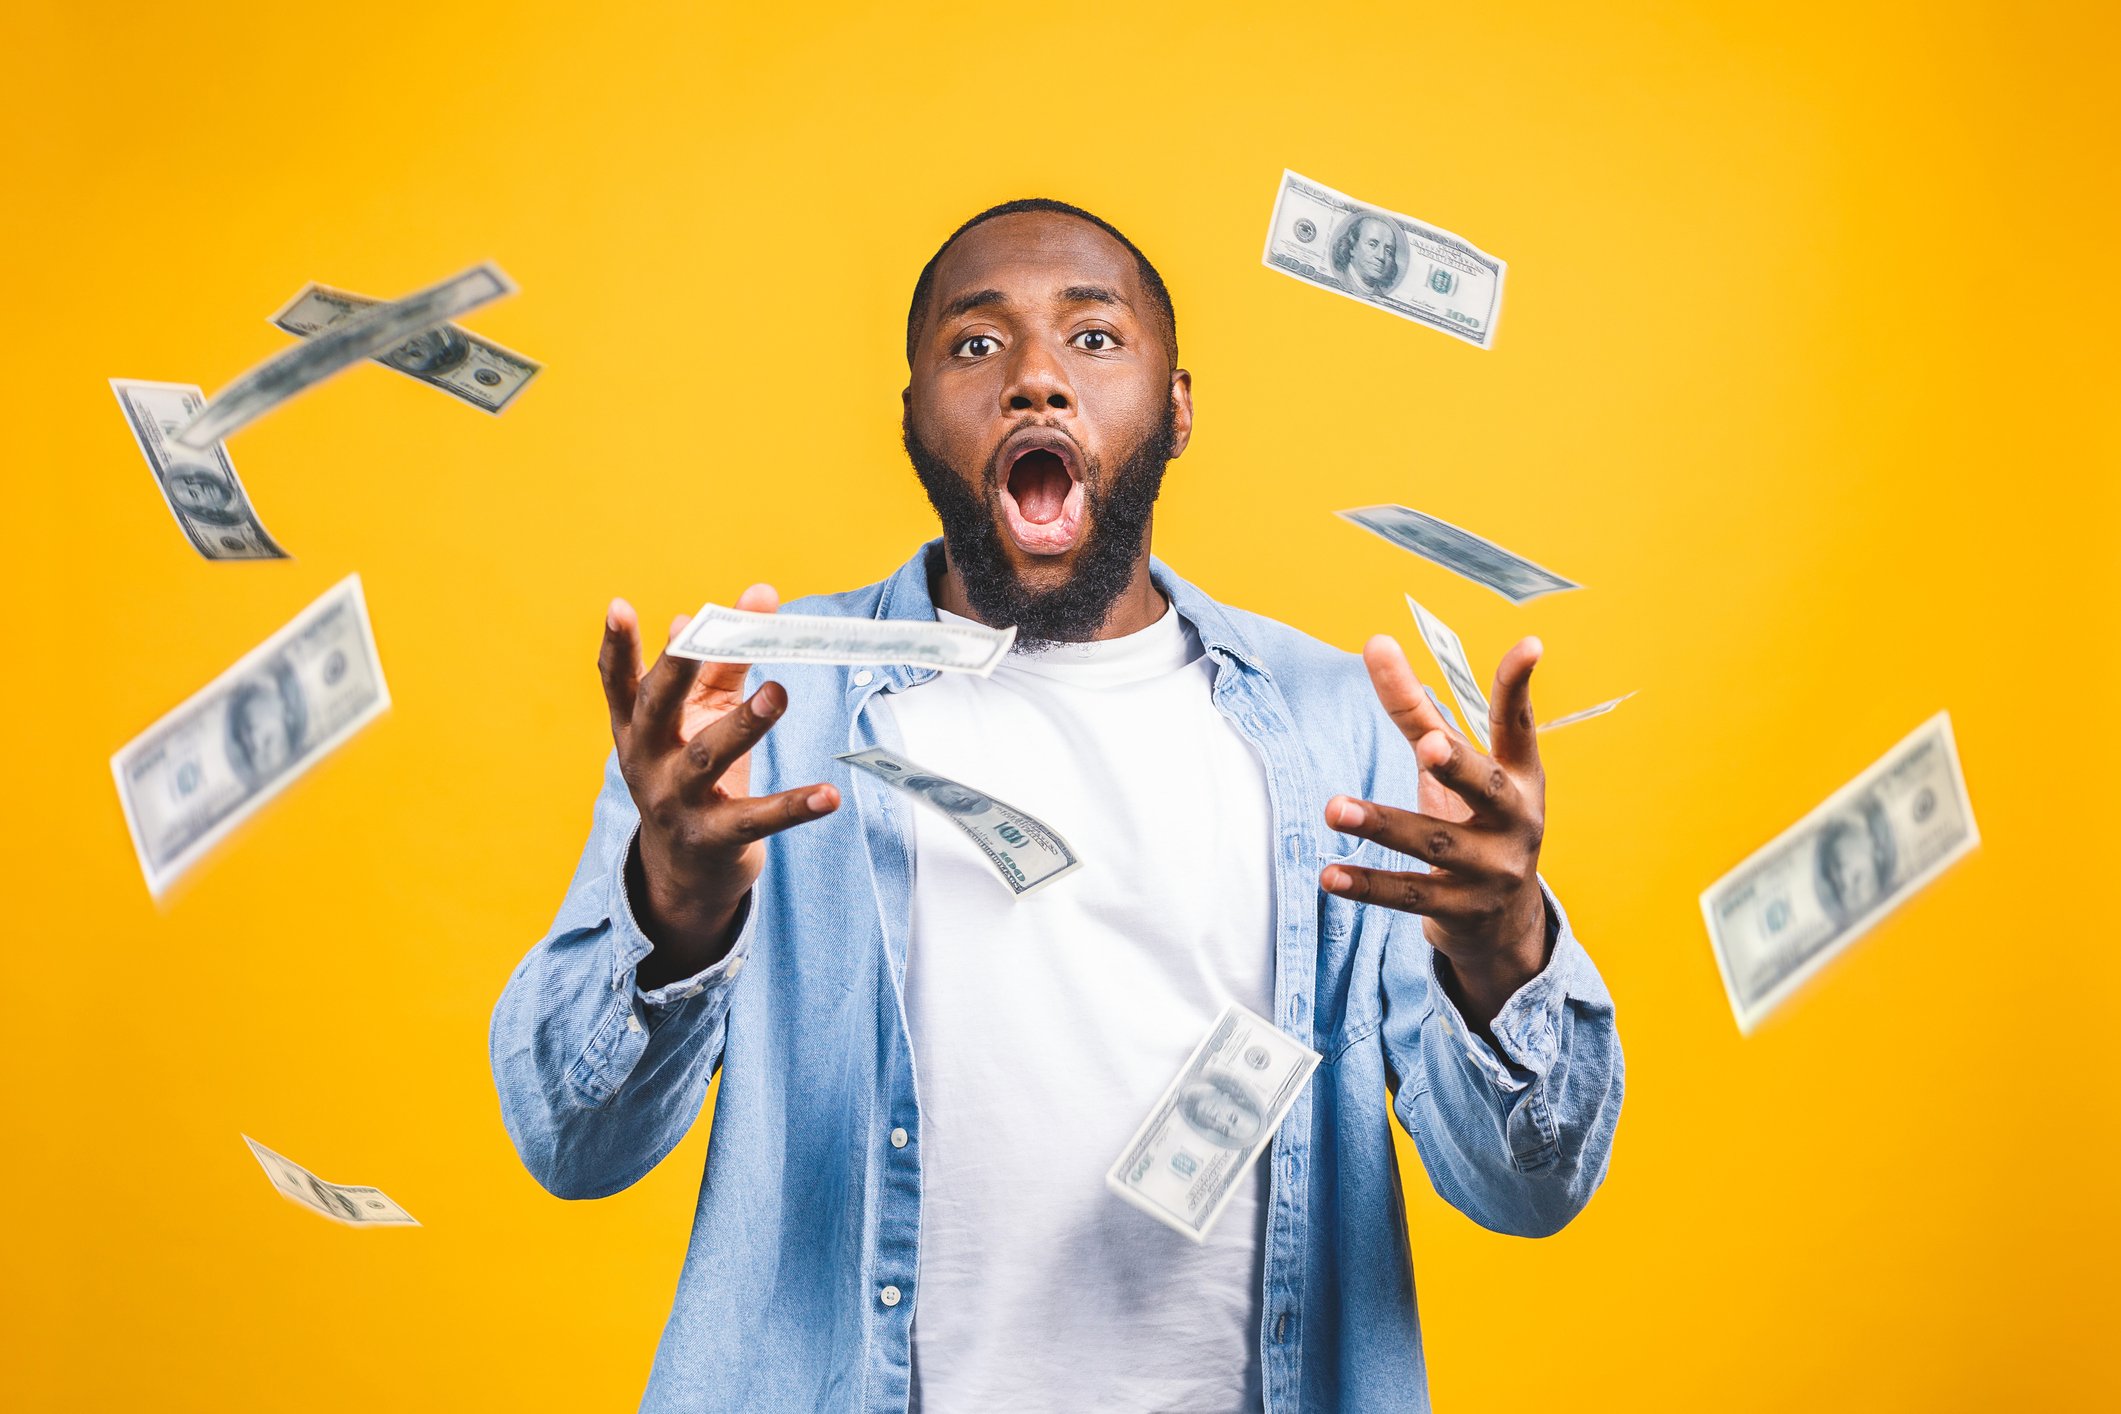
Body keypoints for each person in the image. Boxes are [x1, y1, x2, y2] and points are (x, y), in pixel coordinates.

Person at [490, 198, 1623, 1413]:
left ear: (1177, 407)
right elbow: (573, 1143)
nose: (1036, 379)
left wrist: (1505, 954)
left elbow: (1529, 1190)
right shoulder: (751, 718)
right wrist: (672, 913)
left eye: (1093, 338)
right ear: (914, 416)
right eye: (976, 346)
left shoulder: (1346, 724)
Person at [1331, 211, 1401, 294]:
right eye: (1372, 245)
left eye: (1388, 251)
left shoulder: (1381, 297)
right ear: (1352, 246)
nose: (1381, 256)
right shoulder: (1335, 282)